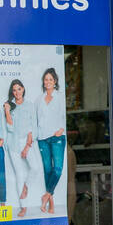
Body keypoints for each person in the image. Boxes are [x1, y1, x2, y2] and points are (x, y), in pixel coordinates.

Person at [3, 78, 39, 219]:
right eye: (14, 90)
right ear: (12, 92)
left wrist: (27, 146)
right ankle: (23, 206)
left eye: (19, 89)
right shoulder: (9, 106)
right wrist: (7, 111)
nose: (17, 92)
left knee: (35, 168)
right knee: (19, 174)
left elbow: (32, 127)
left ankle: (26, 187)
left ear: (23, 89)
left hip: (26, 141)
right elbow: (10, 128)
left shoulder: (30, 105)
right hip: (13, 143)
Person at [35, 67, 67, 214]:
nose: (47, 82)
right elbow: (36, 120)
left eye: (50, 79)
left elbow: (64, 116)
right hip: (42, 138)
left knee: (58, 169)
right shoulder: (38, 100)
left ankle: (46, 195)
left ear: (55, 82)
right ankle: (50, 204)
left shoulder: (60, 97)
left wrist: (61, 129)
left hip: (57, 136)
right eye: (45, 79)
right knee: (48, 171)